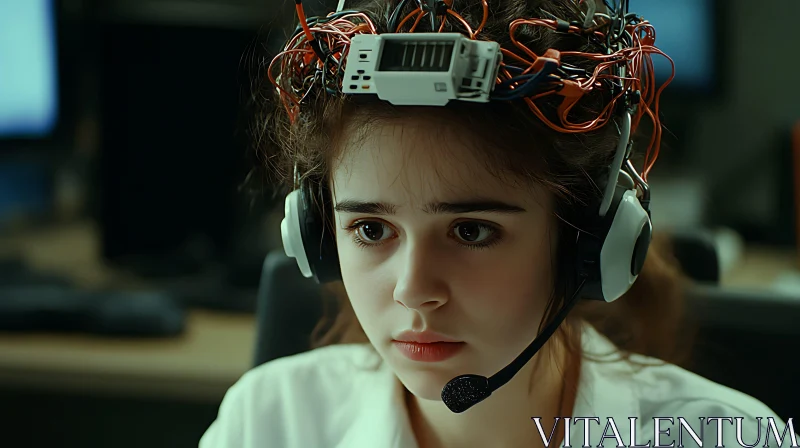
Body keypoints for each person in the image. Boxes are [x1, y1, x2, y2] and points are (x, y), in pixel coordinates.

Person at [200, 0, 795, 447]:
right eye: (372, 230)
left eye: (471, 231)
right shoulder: (268, 421)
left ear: (584, 241)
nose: (413, 290)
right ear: (317, 237)